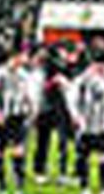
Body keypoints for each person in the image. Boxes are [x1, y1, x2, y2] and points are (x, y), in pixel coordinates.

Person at [0, 44, 38, 194]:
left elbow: (29, 96)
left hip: (19, 117)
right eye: (24, 55)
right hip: (3, 117)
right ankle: (2, 186)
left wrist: (32, 112)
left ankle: (19, 186)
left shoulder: (25, 75)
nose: (26, 58)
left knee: (19, 150)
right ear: (15, 56)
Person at [69, 51, 104, 194]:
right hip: (86, 124)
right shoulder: (83, 79)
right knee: (83, 157)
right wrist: (75, 116)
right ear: (93, 64)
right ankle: (85, 191)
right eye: (100, 65)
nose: (103, 68)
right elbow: (71, 98)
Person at [33, 42, 78, 185]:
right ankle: (40, 171)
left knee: (63, 142)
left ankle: (62, 172)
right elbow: (42, 85)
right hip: (47, 106)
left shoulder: (68, 67)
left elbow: (72, 85)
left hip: (62, 107)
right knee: (43, 140)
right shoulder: (49, 65)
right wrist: (54, 81)